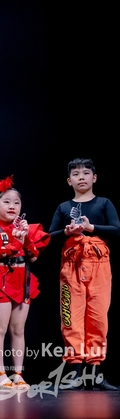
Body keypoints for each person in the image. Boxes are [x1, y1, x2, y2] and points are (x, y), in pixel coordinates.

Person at [48, 158, 120, 391]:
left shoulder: (104, 203)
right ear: (69, 181)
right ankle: (75, 375)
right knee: (71, 318)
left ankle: (95, 375)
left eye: (86, 173)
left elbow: (117, 230)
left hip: (99, 265)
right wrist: (67, 231)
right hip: (72, 266)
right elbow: (49, 237)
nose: (81, 177)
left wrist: (91, 228)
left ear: (94, 178)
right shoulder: (64, 207)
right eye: (76, 174)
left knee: (98, 319)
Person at [0, 176, 49, 390]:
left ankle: (18, 374)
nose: (12, 206)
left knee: (18, 330)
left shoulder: (28, 229)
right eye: (6, 202)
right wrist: (15, 243)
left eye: (16, 202)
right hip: (1, 279)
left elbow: (33, 257)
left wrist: (25, 238)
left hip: (23, 279)